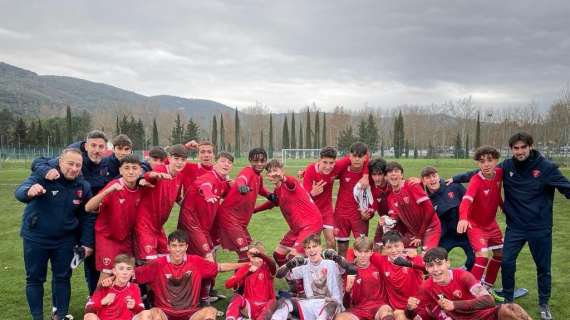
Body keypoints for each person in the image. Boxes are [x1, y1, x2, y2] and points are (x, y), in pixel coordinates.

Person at [451, 132, 570, 319]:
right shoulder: (507, 166)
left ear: (530, 146)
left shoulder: (546, 168)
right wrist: (455, 178)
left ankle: (544, 303)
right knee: (506, 262)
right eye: (516, 148)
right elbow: (481, 173)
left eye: (523, 147)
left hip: (540, 227)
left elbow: (566, 187)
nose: (520, 151)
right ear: (512, 149)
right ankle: (507, 299)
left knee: (543, 267)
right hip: (515, 227)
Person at [16, 148, 94, 320]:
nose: (74, 168)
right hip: (36, 237)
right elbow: (20, 191)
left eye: (78, 165)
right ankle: (37, 317)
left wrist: (86, 243)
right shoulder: (44, 176)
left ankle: (60, 315)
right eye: (70, 163)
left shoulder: (83, 186)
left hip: (65, 240)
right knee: (35, 279)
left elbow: (88, 217)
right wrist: (29, 191)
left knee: (62, 278)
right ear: (60, 162)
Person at [32, 130, 111, 296]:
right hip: (72, 219)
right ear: (86, 145)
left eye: (101, 146)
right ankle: (60, 308)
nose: (97, 150)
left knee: (92, 259)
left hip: (93, 218)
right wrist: (45, 171)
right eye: (93, 145)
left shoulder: (105, 163)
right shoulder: (75, 158)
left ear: (105, 148)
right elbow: (39, 162)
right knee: (64, 267)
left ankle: (93, 297)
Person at [109, 230, 243, 320]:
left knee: (210, 312)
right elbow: (131, 275)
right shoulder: (158, 264)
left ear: (186, 247)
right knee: (149, 314)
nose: (177, 249)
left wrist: (246, 264)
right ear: (168, 247)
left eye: (181, 245)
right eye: (174, 245)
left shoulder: (196, 262)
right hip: (164, 313)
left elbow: (219, 267)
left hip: (191, 313)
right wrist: (111, 279)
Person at [406, 247, 532, 320]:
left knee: (511, 309)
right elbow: (418, 316)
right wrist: (410, 309)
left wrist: (455, 305)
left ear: (448, 263)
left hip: (480, 315)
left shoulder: (463, 276)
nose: (436, 269)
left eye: (439, 264)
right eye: (431, 266)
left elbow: (489, 301)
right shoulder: (426, 287)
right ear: (426, 268)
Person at [271, 234, 357, 320]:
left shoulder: (331, 263)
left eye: (314, 246)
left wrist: (337, 258)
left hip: (332, 304)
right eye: (308, 248)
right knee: (286, 303)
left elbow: (351, 268)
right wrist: (289, 265)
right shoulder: (304, 265)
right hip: (311, 304)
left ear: (320, 248)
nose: (311, 250)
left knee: (328, 308)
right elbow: (279, 275)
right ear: (305, 251)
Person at [84, 155, 143, 279]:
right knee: (107, 273)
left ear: (140, 171)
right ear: (120, 171)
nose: (131, 171)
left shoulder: (141, 187)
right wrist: (107, 191)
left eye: (134, 168)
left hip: (126, 238)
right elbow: (88, 207)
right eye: (126, 168)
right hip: (108, 236)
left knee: (124, 273)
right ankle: (96, 299)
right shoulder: (114, 186)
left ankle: (120, 298)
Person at [254, 159, 323, 263]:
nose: (273, 174)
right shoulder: (278, 189)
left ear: (282, 171)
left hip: (310, 224)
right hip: (297, 228)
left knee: (294, 258)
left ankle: (309, 276)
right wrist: (254, 210)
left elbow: (290, 182)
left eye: (275, 170)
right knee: (278, 255)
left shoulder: (290, 182)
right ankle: (291, 278)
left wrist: (282, 178)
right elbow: (272, 203)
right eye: (270, 171)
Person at [457, 146, 504, 298]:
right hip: (475, 225)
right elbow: (466, 200)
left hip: (491, 224)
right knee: (482, 256)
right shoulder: (476, 180)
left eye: (490, 160)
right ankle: (471, 292)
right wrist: (463, 218)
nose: (486, 164)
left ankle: (487, 287)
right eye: (482, 161)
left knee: (500, 254)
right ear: (478, 164)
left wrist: (504, 207)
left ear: (496, 161)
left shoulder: (499, 174)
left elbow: (496, 194)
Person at [302, 146, 368, 249]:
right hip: (312, 211)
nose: (328, 166)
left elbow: (365, 158)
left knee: (331, 242)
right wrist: (312, 193)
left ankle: (332, 264)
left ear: (335, 162)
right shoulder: (310, 170)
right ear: (319, 160)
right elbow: (303, 198)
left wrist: (365, 176)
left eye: (331, 163)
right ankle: (313, 263)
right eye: (325, 162)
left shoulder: (338, 166)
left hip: (326, 211)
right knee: (313, 241)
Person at [135, 144, 192, 261]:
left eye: (183, 160)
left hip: (158, 226)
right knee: (151, 262)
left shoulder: (179, 176)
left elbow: (177, 197)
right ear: (169, 158)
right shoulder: (160, 170)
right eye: (176, 159)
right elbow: (148, 176)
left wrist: (191, 207)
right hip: (145, 223)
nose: (179, 162)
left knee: (167, 260)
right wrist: (153, 175)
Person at [215, 148, 272, 262]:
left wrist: (270, 196)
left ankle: (244, 278)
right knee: (245, 253)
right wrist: (241, 186)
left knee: (251, 251)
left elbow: (261, 189)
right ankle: (241, 279)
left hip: (240, 222)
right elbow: (242, 179)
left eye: (262, 160)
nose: (259, 164)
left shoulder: (258, 176)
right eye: (256, 161)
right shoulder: (248, 171)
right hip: (230, 218)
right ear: (250, 160)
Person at [178, 151, 234, 259]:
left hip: (203, 227)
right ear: (215, 163)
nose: (226, 164)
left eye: (229, 163)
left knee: (201, 257)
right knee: (208, 258)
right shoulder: (209, 177)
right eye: (223, 161)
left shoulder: (221, 181)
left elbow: (232, 188)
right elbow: (205, 185)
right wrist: (208, 194)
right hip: (191, 224)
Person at [420, 166, 474, 270]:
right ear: (423, 181)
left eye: (434, 176)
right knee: (435, 261)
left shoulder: (453, 186)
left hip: (465, 233)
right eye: (428, 177)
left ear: (438, 176)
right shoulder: (425, 199)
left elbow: (469, 203)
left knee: (474, 260)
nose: (432, 179)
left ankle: (465, 275)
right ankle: (444, 279)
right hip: (446, 236)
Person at [384, 162, 441, 251]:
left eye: (396, 171)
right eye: (390, 172)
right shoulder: (390, 197)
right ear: (386, 177)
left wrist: (420, 235)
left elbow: (430, 210)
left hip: (430, 227)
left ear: (402, 174)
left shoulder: (411, 185)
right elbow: (393, 218)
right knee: (396, 252)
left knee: (428, 257)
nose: (393, 174)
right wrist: (386, 221)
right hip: (413, 232)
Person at [370, 231, 424, 320]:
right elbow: (359, 252)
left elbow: (429, 269)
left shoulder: (414, 259)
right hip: (398, 309)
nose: (394, 250)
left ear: (403, 245)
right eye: (389, 247)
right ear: (384, 249)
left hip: (417, 306)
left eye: (396, 246)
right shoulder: (380, 260)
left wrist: (411, 263)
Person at [341, 236, 395, 320]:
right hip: (359, 309)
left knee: (387, 313)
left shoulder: (378, 266)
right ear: (355, 252)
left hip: (379, 306)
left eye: (366, 252)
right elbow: (346, 305)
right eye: (360, 252)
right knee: (341, 318)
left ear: (371, 252)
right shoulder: (350, 272)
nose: (363, 255)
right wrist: (348, 290)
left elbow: (391, 258)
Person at [334, 142, 370, 257]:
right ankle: (342, 273)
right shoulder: (343, 168)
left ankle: (360, 273)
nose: (357, 159)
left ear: (365, 157)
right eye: (354, 156)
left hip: (359, 215)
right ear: (349, 156)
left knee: (362, 248)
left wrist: (371, 211)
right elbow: (327, 170)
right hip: (341, 214)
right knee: (342, 249)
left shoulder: (370, 172)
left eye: (360, 156)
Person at [84, 254, 146, 320]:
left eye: (128, 269)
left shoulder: (134, 288)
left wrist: (134, 306)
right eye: (121, 269)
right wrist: (102, 302)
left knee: (150, 313)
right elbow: (88, 309)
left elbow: (141, 310)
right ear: (114, 271)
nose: (125, 272)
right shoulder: (104, 286)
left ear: (132, 272)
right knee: (89, 316)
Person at [225, 241, 277, 320]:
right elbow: (228, 284)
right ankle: (230, 318)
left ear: (263, 256)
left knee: (272, 302)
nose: (257, 260)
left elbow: (273, 264)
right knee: (237, 298)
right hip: (249, 306)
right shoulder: (245, 268)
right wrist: (248, 273)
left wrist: (260, 254)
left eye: (259, 257)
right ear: (248, 256)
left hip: (265, 306)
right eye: (254, 257)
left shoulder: (267, 267)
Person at [368, 158, 391, 251]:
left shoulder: (392, 185)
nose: (377, 178)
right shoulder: (371, 188)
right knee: (376, 248)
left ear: (385, 174)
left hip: (398, 221)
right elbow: (372, 208)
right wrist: (368, 212)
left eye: (380, 174)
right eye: (374, 174)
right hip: (383, 220)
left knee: (393, 248)